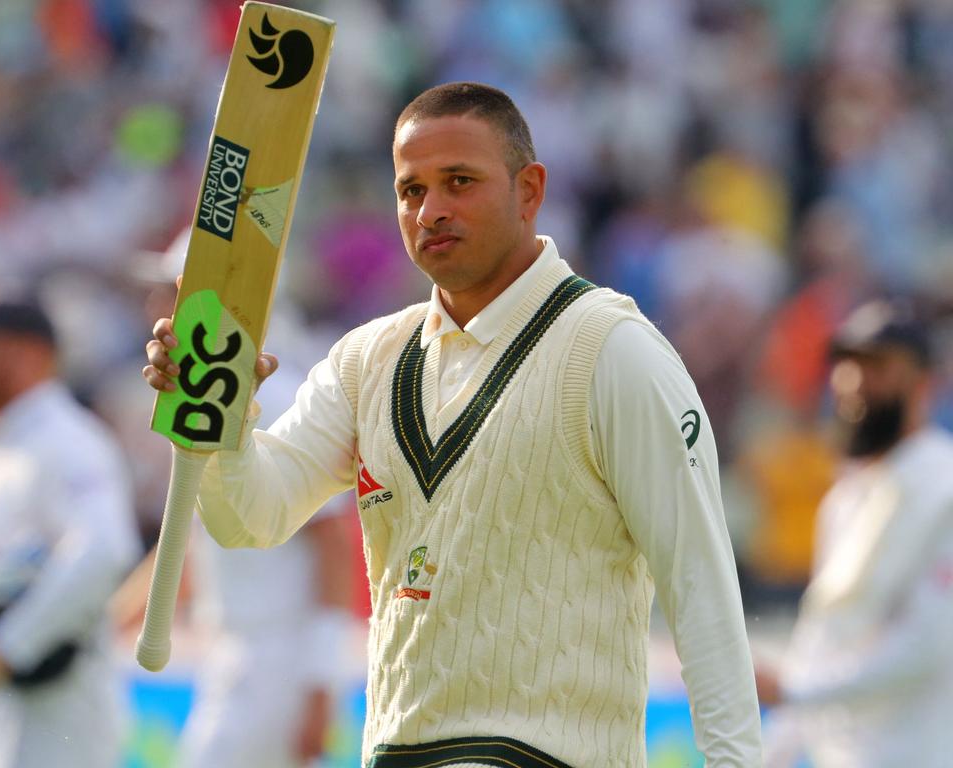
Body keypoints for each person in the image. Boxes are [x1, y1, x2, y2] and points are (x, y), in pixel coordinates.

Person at [144, 82, 761, 766]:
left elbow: (701, 588)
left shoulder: (612, 350)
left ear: (529, 190)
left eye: (459, 182)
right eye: (411, 190)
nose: (431, 210)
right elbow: (249, 518)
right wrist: (218, 416)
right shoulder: (367, 359)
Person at [112, 229, 359, 768]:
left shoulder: (288, 391)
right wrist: (109, 624)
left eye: (172, 291)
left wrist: (319, 682)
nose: (157, 307)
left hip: (277, 664)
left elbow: (334, 544)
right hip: (233, 657)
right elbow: (192, 533)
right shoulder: (209, 392)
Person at [0, 283, 142, 768]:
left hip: (55, 714)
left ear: (29, 355)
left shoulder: (68, 441)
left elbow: (105, 549)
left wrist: (7, 647)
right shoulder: (2, 446)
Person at [756, 298, 953, 767]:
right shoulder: (844, 499)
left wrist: (794, 691)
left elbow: (930, 643)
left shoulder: (944, 485)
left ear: (924, 382)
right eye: (848, 363)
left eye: (879, 366)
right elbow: (822, 637)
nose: (855, 381)